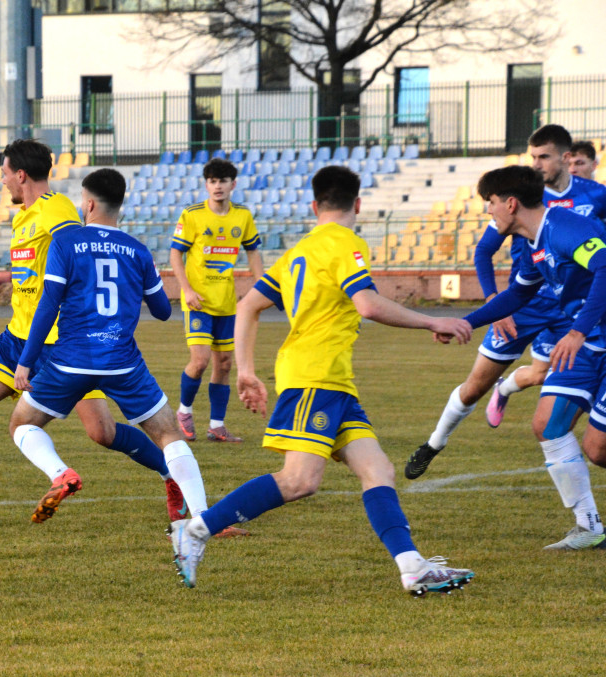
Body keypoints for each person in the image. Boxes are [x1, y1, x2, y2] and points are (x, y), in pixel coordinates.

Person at [169, 165, 476, 595]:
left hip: (331, 380)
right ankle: (196, 531)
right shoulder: (346, 242)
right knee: (299, 480)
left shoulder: (299, 250)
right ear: (358, 204)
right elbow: (367, 304)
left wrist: (246, 370)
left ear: (314, 206)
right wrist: (432, 322)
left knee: (378, 470)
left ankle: (412, 567)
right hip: (316, 377)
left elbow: (247, 307)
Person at [0, 140, 185, 531]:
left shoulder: (57, 212)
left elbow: (83, 255)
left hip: (58, 343)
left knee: (102, 432)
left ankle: (172, 478)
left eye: (4, 174)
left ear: (20, 174)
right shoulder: (25, 216)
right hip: (17, 335)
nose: (2, 182)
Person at [8, 168, 209, 526]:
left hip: (69, 361)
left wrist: (26, 362)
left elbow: (48, 305)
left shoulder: (66, 243)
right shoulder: (137, 250)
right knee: (169, 435)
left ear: (87, 203)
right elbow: (163, 312)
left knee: (23, 425)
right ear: (121, 207)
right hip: (122, 363)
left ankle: (61, 473)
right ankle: (205, 518)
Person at [406, 124, 606, 478]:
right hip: (540, 306)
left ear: (565, 157)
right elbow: (495, 265)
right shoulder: (524, 213)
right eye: (533, 157)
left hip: (577, 313)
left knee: (565, 409)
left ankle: (586, 524)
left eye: (544, 156)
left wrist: (577, 330)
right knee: (489, 392)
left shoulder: (583, 203)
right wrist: (479, 314)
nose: (537, 163)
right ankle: (435, 442)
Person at [455, 165, 606, 549]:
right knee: (548, 426)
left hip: (585, 339)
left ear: (510, 203)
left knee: (597, 447)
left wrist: (576, 331)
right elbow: (517, 296)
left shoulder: (567, 228)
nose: (488, 212)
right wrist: (464, 323)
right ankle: (589, 528)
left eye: (489, 203)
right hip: (589, 346)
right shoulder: (535, 245)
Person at [170, 157, 264, 443]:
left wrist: (263, 287)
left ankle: (216, 425)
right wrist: (186, 290)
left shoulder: (242, 216)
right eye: (212, 181)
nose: (217, 186)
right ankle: (184, 412)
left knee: (223, 363)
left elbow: (253, 252)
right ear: (206, 184)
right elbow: (176, 253)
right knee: (199, 361)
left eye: (223, 181)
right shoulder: (192, 214)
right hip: (198, 302)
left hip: (226, 303)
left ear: (232, 184)